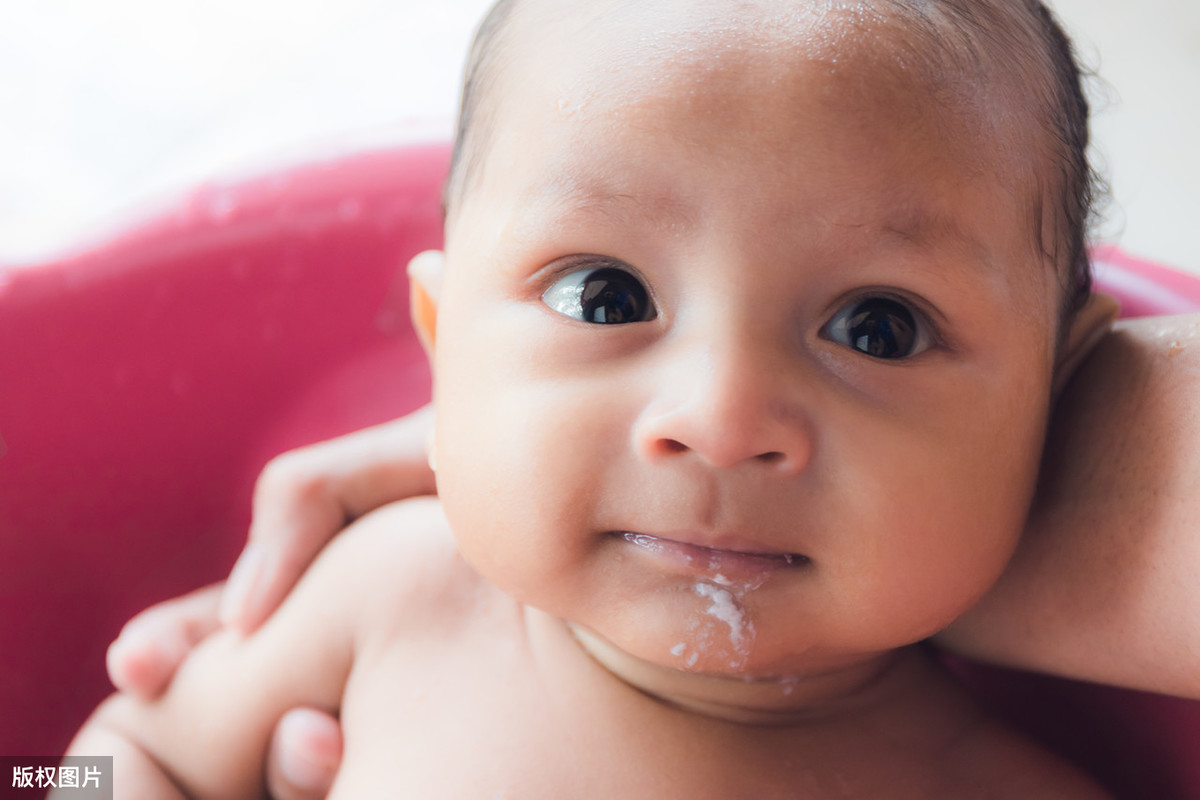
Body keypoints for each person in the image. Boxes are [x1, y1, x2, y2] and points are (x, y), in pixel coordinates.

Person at [65, 0, 1197, 794]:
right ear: (444, 343)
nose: (718, 415)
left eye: (877, 327)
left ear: (1054, 393)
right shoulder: (395, 598)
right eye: (605, 296)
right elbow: (112, 758)